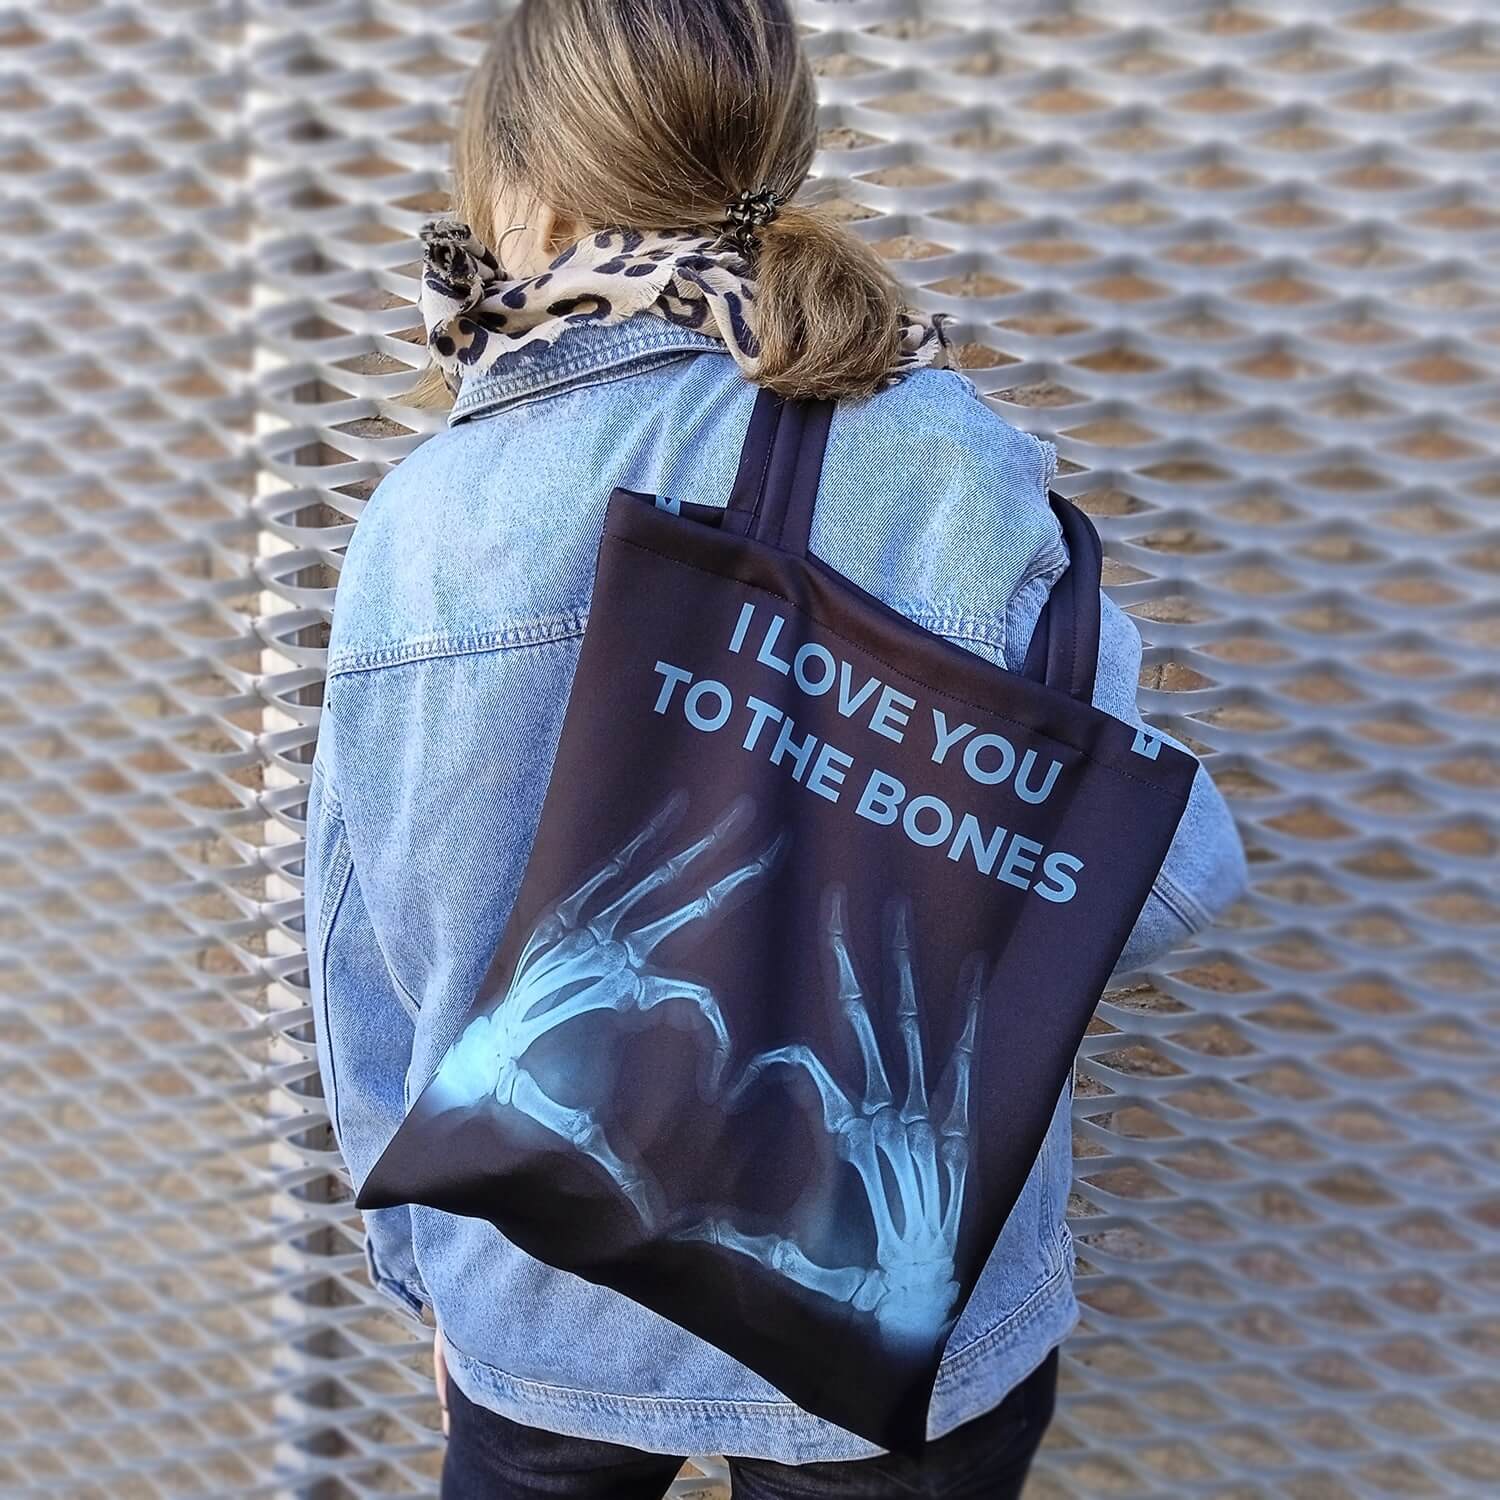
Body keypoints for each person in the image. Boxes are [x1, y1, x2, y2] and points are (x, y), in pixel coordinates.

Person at [303, 2, 1248, 1495]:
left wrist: (432, 1271)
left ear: (519, 182)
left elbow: (364, 950)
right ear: (779, 145)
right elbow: (1169, 886)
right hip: (894, 1303)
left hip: (536, 1272)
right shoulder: (943, 458)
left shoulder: (425, 517)